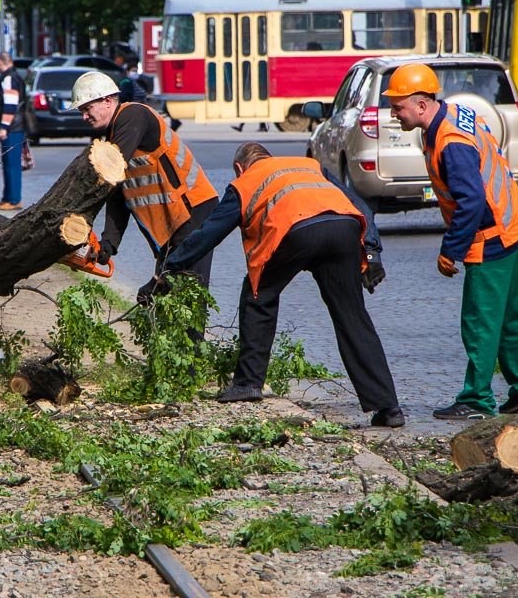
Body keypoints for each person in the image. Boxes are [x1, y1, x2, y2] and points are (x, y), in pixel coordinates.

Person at [162, 143, 401, 425]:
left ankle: (248, 383)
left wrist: (170, 266)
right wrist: (371, 253)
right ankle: (387, 408)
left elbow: (208, 233)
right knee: (352, 316)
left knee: (258, 297)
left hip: (295, 232)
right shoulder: (311, 167)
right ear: (268, 158)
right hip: (343, 230)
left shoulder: (244, 182)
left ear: (239, 167)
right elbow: (359, 205)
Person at [383, 63, 518, 420]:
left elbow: (471, 201)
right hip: (514, 220)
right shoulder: (455, 113)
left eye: (399, 106)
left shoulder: (451, 142)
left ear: (422, 105)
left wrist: (450, 250)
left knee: (480, 320)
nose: (394, 114)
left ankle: (477, 399)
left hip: (493, 235)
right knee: (511, 312)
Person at [72, 70, 219, 308]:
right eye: (81, 111)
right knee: (168, 298)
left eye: (87, 108)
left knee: (187, 294)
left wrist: (158, 278)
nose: (84, 117)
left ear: (107, 101)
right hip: (172, 221)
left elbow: (107, 177)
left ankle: (191, 345)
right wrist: (109, 243)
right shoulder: (113, 136)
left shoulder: (133, 116)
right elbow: (119, 195)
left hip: (193, 211)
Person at [0, 52, 27, 210]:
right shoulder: (11, 77)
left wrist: (4, 127)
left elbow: (11, 105)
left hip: (12, 127)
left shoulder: (9, 78)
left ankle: (14, 199)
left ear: (1, 62)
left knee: (12, 164)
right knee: (8, 163)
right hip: (13, 126)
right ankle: (7, 197)